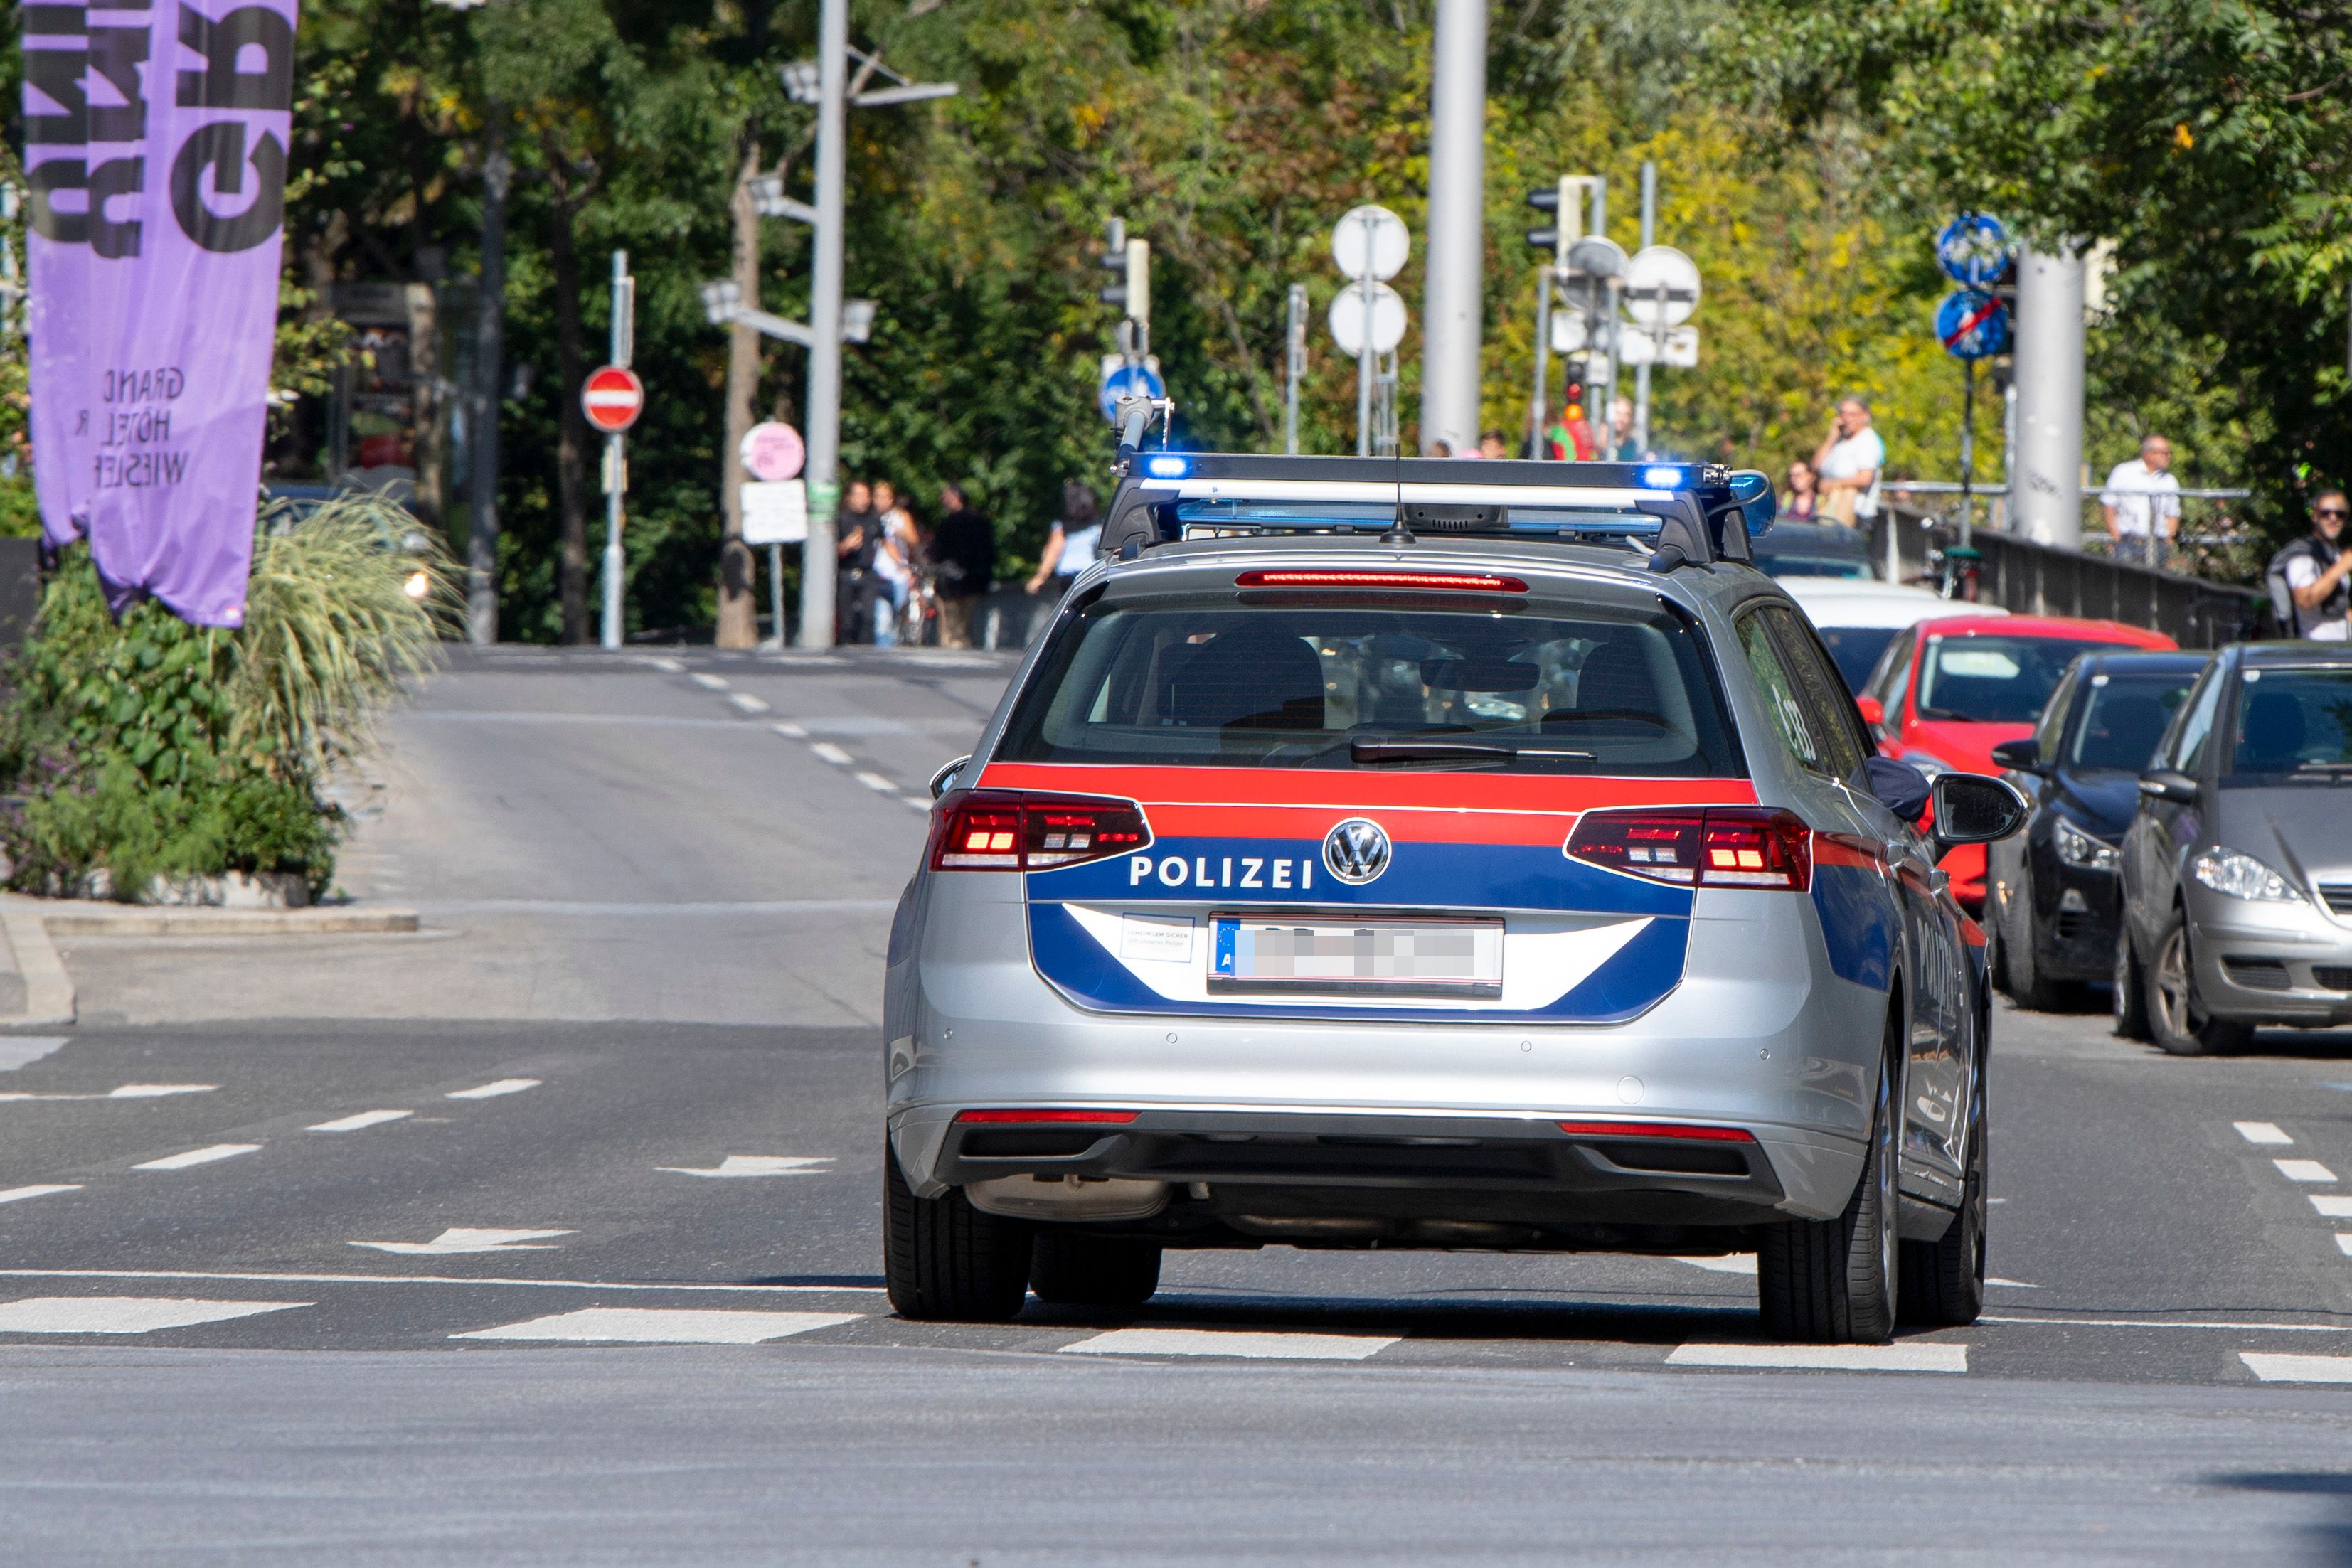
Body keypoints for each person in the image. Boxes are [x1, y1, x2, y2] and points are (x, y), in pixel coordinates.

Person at [2269, 489, 2351, 640]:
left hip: (2340, 653)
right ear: (2315, 515)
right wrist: (2341, 567)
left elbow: (2337, 614)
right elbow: (2305, 600)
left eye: (2340, 514)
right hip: (2314, 653)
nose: (2333, 518)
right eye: (2326, 513)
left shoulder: (2336, 555)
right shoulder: (2303, 556)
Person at [2100, 434, 2181, 569]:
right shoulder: (2123, 472)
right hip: (2127, 542)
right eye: (2165, 453)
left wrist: (2169, 546)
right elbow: (2109, 506)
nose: (2169, 457)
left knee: (2154, 585)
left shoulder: (2170, 481)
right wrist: (2115, 537)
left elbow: (2172, 515)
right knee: (2125, 583)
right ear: (2150, 454)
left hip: (2157, 544)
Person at [932, 483, 996, 649]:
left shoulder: (948, 523)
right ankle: (960, 644)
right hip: (973, 580)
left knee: (949, 623)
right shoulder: (980, 521)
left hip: (951, 582)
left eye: (946, 496)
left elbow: (938, 552)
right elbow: (989, 551)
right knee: (964, 623)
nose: (942, 499)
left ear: (956, 497)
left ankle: (951, 646)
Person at [1812, 396, 1884, 526]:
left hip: (1855, 513)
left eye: (1853, 414)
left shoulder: (1867, 440)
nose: (1847, 419)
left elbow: (1865, 478)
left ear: (1865, 416)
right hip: (1832, 509)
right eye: (1843, 414)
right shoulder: (1841, 441)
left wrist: (1832, 484)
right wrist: (1832, 437)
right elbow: (1816, 466)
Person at [1027, 481, 1102, 600]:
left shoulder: (1062, 527)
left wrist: (1040, 576)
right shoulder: (1098, 525)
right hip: (1091, 575)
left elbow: (1053, 551)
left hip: (1072, 578)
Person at [868, 480, 916, 646]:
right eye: (877, 496)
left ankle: (896, 646)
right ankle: (884, 653)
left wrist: (900, 532)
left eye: (885, 497)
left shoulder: (900, 516)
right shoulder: (871, 517)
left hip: (898, 576)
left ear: (891, 499)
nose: (880, 501)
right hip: (878, 574)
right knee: (882, 621)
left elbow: (913, 540)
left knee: (897, 617)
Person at [833, 479, 878, 644]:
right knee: (847, 621)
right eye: (859, 495)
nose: (863, 500)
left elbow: (885, 542)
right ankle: (847, 651)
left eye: (866, 496)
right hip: (846, 572)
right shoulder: (841, 519)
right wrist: (846, 545)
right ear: (849, 497)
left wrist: (902, 567)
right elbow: (830, 551)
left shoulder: (873, 519)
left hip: (867, 573)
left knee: (868, 618)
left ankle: (867, 654)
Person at [1783, 457, 1821, 521]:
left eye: (1798, 475)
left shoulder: (1822, 502)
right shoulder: (1784, 501)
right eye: (1792, 476)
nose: (1794, 479)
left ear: (1811, 476)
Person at [1609, 396, 1639, 461]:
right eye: (1618, 413)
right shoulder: (1597, 445)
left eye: (1626, 415)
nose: (1622, 419)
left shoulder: (1633, 446)